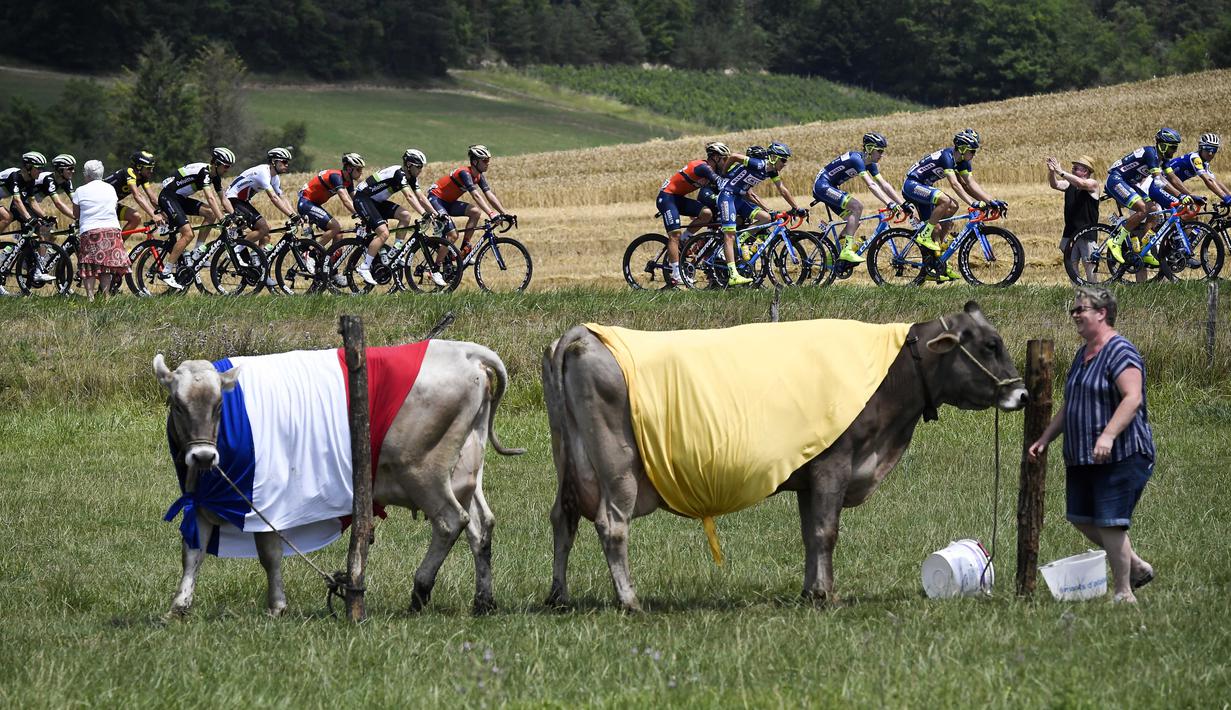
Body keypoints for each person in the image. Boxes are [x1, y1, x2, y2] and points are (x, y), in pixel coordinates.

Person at [1028, 287, 1155, 604]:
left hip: (1121, 453)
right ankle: (1136, 565)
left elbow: (1132, 397)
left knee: (1110, 521)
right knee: (1081, 516)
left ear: (1102, 313)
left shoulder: (1120, 351)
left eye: (1080, 309)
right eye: (1074, 310)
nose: (1075, 315)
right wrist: (1045, 438)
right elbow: (1071, 404)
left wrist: (1108, 435)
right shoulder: (1083, 354)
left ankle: (1124, 592)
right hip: (1083, 455)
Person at [902, 129, 1007, 281]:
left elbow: (969, 184)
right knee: (946, 201)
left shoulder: (963, 162)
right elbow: (955, 185)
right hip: (912, 184)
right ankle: (924, 235)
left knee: (945, 218)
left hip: (924, 187)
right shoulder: (947, 157)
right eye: (972, 150)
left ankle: (935, 266)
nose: (974, 154)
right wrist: (973, 203)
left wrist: (991, 201)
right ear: (963, 149)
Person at [715, 141, 806, 286]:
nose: (785, 164)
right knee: (730, 234)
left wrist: (796, 207)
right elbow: (733, 156)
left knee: (766, 218)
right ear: (774, 158)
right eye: (783, 160)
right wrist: (724, 173)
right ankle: (733, 275)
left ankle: (743, 237)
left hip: (739, 198)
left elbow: (782, 189)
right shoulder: (758, 164)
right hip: (727, 196)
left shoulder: (771, 171)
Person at [812, 131, 912, 263]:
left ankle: (833, 260)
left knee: (853, 222)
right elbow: (871, 184)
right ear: (869, 149)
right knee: (857, 207)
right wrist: (889, 203)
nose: (882, 155)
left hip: (831, 187)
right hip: (822, 186)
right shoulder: (856, 159)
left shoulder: (870, 164)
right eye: (879, 151)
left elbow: (884, 184)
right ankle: (847, 250)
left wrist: (903, 203)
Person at [352, 148, 441, 286]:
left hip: (376, 202)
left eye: (422, 167)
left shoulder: (411, 177)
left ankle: (395, 251)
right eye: (419, 167)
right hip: (363, 198)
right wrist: (424, 214)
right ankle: (364, 267)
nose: (421, 170)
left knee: (405, 216)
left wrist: (436, 214)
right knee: (383, 233)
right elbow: (410, 196)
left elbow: (421, 197)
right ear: (409, 165)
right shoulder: (398, 173)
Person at [1104, 128, 1187, 270]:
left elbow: (1173, 178)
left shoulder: (1163, 159)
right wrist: (1180, 196)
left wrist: (1189, 195)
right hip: (1116, 179)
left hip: (1128, 182)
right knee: (1143, 209)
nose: (1175, 150)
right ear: (1163, 145)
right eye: (1173, 147)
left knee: (1154, 211)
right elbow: (1159, 181)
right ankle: (1116, 242)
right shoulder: (1150, 153)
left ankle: (1144, 248)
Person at [656, 141, 729, 286]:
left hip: (678, 198)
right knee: (674, 235)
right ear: (715, 157)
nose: (725, 162)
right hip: (667, 198)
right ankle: (677, 274)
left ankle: (685, 239)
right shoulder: (703, 167)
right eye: (723, 158)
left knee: (706, 214)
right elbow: (720, 182)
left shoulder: (713, 169)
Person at [428, 145, 515, 260]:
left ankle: (465, 248)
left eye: (488, 160)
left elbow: (489, 195)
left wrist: (504, 213)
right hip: (436, 200)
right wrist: (491, 213)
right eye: (485, 160)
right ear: (475, 162)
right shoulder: (465, 173)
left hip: (449, 202)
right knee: (453, 235)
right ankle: (434, 270)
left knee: (475, 212)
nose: (488, 163)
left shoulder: (478, 176)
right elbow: (475, 195)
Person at [72, 160, 130, 300]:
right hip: (111, 230)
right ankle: (105, 297)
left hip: (91, 231)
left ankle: (91, 298)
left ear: (87, 175)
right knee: (106, 267)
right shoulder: (110, 188)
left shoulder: (80, 191)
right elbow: (114, 207)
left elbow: (76, 214)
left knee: (89, 266)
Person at [226, 147, 299, 248]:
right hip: (232, 199)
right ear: (274, 161)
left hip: (242, 201)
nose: (287, 165)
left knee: (266, 234)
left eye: (287, 162)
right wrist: (291, 215)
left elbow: (282, 197)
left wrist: (294, 214)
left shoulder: (274, 177)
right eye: (284, 161)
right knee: (263, 228)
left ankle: (257, 260)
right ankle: (235, 250)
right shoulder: (263, 173)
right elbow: (273, 197)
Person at [1047, 154, 1100, 281]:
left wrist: (1061, 172)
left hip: (1087, 233)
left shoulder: (1093, 184)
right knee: (1071, 265)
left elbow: (1081, 183)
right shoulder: (1069, 184)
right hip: (1070, 232)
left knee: (1089, 265)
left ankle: (1094, 292)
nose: (1072, 170)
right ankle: (1077, 292)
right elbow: (1055, 185)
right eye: (1073, 168)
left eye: (1076, 168)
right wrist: (1052, 172)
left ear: (1085, 171)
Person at [298, 152, 364, 252]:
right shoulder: (336, 177)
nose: (361, 172)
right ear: (349, 169)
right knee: (335, 227)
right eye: (358, 169)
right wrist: (360, 214)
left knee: (338, 235)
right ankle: (311, 254)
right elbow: (346, 200)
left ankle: (327, 265)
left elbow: (356, 199)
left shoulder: (348, 181)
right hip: (306, 203)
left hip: (314, 204)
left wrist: (368, 210)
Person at [102, 150, 163, 236]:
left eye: (152, 168)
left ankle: (120, 245)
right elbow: (137, 196)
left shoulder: (143, 177)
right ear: (139, 167)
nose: (151, 171)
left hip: (110, 205)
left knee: (135, 217)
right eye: (148, 168)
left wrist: (165, 215)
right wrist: (153, 215)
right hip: (99, 204)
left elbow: (153, 199)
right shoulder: (129, 173)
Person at [1160, 132, 1230, 206]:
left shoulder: (1205, 163)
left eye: (1214, 150)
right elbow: (1208, 180)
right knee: (1186, 212)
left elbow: (1214, 181)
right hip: (1162, 184)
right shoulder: (1195, 159)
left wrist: (1229, 195)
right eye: (1208, 149)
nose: (1210, 153)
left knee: (1189, 214)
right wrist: (1225, 197)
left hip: (1171, 186)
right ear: (1200, 148)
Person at [31, 154, 78, 224]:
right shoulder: (48, 179)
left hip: (34, 206)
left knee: (46, 230)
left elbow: (75, 200)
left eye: (73, 168)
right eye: (70, 169)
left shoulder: (67, 181)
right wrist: (76, 217)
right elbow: (58, 203)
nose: (73, 171)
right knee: (44, 231)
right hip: (24, 204)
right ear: (60, 170)